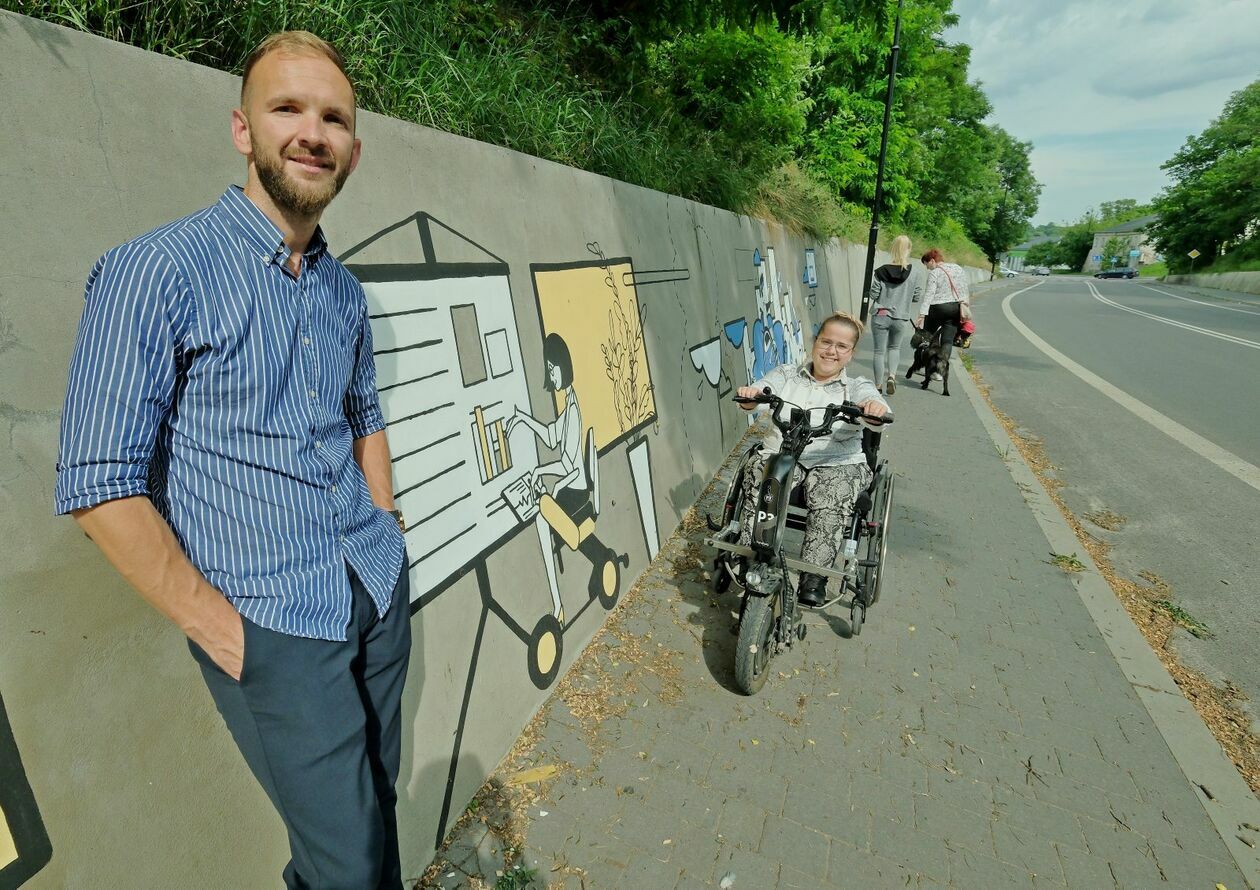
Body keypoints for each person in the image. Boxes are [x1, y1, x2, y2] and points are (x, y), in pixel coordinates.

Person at [54, 32, 412, 889]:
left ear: (353, 151)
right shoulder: (155, 271)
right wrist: (227, 633)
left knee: (370, 821)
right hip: (274, 625)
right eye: (287, 108)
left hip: (371, 588)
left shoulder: (341, 290)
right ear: (243, 130)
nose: (312, 133)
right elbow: (98, 484)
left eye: (333, 118)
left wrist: (388, 531)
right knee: (352, 870)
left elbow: (365, 413)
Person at [735, 313, 889, 607]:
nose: (832, 351)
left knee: (830, 492)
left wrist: (873, 407)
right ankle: (750, 555)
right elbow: (761, 390)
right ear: (815, 342)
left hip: (836, 461)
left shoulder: (855, 386)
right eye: (826, 342)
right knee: (762, 475)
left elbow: (875, 405)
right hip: (783, 453)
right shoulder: (787, 374)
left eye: (842, 346)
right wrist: (752, 394)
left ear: (851, 354)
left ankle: (813, 577)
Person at [507, 332, 586, 622]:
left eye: (553, 368)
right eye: (548, 368)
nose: (550, 374)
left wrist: (542, 473)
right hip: (567, 488)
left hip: (576, 491)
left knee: (541, 512)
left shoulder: (574, 410)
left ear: (564, 365)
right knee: (541, 511)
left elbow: (569, 465)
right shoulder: (568, 405)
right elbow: (552, 436)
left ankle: (558, 605)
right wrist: (524, 419)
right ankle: (557, 603)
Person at [868, 234, 923, 394]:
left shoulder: (881, 271)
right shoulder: (916, 273)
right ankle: (891, 376)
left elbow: (873, 294)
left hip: (880, 315)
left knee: (879, 351)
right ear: (909, 249)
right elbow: (917, 296)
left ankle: (878, 386)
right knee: (894, 348)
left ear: (893, 249)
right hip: (900, 317)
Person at [915, 248, 971, 380]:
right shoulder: (958, 268)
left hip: (937, 308)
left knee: (928, 337)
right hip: (955, 308)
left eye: (927, 265)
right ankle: (940, 372)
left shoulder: (935, 273)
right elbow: (964, 288)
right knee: (947, 341)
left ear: (932, 261)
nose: (928, 268)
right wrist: (965, 306)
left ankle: (930, 369)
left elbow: (929, 294)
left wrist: (922, 314)